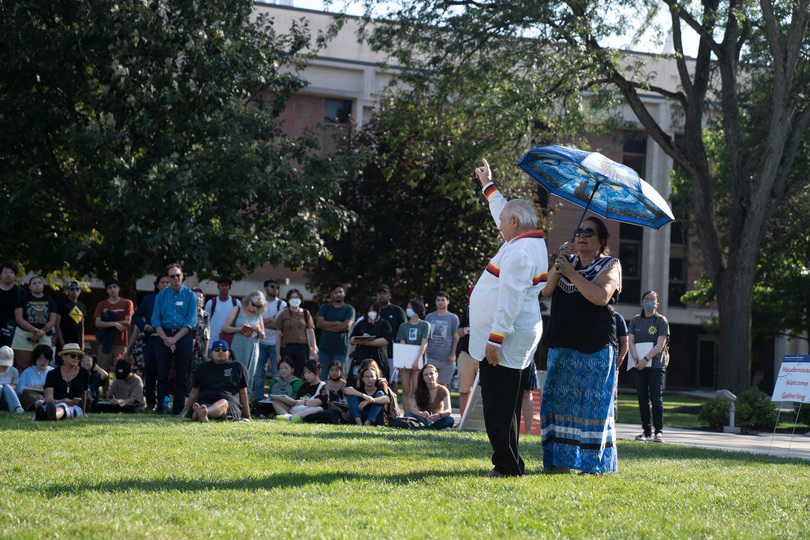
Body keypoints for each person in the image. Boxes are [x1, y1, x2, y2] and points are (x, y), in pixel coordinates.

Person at [469, 159, 548, 478]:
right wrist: (489, 186)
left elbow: (509, 298)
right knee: (508, 403)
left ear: (515, 222)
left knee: (499, 406)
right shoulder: (527, 242)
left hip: (507, 337)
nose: (499, 225)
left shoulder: (518, 252)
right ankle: (511, 462)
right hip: (519, 333)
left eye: (503, 222)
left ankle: (505, 466)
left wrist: (495, 338)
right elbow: (502, 211)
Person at [540, 215, 622, 476]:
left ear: (601, 241)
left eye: (589, 232)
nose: (582, 236)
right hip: (562, 344)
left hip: (596, 347)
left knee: (593, 407)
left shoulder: (611, 265)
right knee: (558, 404)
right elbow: (547, 291)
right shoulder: (566, 262)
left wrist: (572, 273)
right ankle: (560, 463)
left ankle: (593, 467)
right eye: (579, 231)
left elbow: (600, 296)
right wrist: (559, 265)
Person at [151, 263, 197, 415]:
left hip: (183, 336)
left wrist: (174, 339)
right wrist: (166, 339)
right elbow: (156, 321)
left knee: (182, 374)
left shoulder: (191, 296)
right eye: (172, 276)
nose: (176, 278)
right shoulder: (161, 296)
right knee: (162, 374)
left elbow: (190, 322)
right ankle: (161, 408)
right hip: (164, 335)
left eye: (178, 275)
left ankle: (178, 408)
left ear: (182, 276)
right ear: (168, 278)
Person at [629, 291, 670, 443]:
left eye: (652, 299)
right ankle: (646, 431)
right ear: (641, 302)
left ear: (657, 304)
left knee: (656, 398)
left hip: (656, 365)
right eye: (646, 299)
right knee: (642, 398)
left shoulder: (661, 321)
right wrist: (636, 359)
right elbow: (630, 342)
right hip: (638, 365)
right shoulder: (635, 321)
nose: (649, 302)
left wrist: (645, 359)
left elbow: (660, 345)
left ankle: (659, 432)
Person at [179, 340, 251, 422]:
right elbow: (194, 392)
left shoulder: (238, 367)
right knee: (201, 406)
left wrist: (247, 415)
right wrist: (183, 413)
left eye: (224, 350)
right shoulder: (202, 367)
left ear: (229, 353)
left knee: (223, 403)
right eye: (217, 350)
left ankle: (202, 413)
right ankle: (201, 413)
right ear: (212, 353)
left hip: (229, 403)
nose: (221, 352)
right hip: (206, 401)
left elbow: (243, 392)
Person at [132, 273, 170, 410]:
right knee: (150, 372)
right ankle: (150, 403)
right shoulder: (149, 299)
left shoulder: (174, 299)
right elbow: (136, 316)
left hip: (169, 340)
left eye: (168, 282)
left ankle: (163, 403)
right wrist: (144, 326)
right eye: (162, 282)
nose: (165, 285)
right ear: (157, 285)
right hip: (152, 340)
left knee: (164, 373)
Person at [221, 290, 266, 394]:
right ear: (249, 300)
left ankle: (246, 403)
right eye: (254, 305)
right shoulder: (237, 309)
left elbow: (263, 336)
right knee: (234, 373)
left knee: (249, 376)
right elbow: (224, 328)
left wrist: (259, 331)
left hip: (252, 349)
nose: (255, 308)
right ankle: (231, 399)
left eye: (259, 306)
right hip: (237, 347)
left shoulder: (258, 314)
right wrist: (240, 328)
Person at [12, 275, 57, 373]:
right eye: (34, 283)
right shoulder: (22, 299)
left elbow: (53, 320)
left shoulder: (50, 301)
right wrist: (35, 331)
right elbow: (19, 318)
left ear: (43, 285)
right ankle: (22, 387)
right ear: (30, 286)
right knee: (23, 365)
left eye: (39, 283)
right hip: (23, 334)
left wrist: (41, 332)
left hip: (44, 335)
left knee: (43, 364)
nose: (37, 285)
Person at [36, 343, 90, 421]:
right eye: (73, 355)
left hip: (75, 407)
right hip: (55, 403)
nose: (76, 358)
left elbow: (84, 393)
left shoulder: (84, 373)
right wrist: (62, 401)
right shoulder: (52, 374)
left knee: (64, 408)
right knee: (61, 405)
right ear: (64, 357)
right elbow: (48, 399)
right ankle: (48, 414)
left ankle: (49, 415)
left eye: (78, 356)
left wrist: (84, 412)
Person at [395, 298, 431, 413]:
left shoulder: (425, 325)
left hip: (418, 362)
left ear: (416, 309)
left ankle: (416, 413)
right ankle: (406, 414)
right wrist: (402, 362)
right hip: (405, 363)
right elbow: (402, 344)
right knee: (406, 390)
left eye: (410, 307)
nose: (408, 310)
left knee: (416, 390)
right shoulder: (403, 326)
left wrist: (417, 360)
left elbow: (424, 343)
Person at [347, 297, 393, 385]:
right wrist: (361, 338)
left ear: (379, 309)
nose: (372, 313)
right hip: (361, 357)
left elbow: (386, 340)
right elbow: (352, 340)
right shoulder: (361, 323)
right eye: (369, 310)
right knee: (357, 382)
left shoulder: (384, 323)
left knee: (378, 383)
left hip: (378, 358)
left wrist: (367, 342)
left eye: (374, 310)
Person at [254, 279, 286, 399]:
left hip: (275, 344)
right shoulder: (259, 303)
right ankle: (258, 400)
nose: (275, 289)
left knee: (277, 374)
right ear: (266, 288)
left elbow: (277, 324)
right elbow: (256, 323)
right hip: (260, 342)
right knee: (259, 375)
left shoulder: (281, 304)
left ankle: (275, 399)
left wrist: (263, 323)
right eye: (272, 287)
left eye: (277, 287)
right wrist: (269, 321)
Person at [273, 289, 317, 378]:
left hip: (302, 348)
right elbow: (278, 335)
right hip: (287, 348)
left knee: (300, 374)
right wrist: (277, 354)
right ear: (288, 300)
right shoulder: (283, 314)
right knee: (287, 373)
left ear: (301, 299)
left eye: (297, 297)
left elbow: (311, 332)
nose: (294, 299)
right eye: (292, 297)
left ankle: (298, 391)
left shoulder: (306, 313)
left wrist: (314, 350)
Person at [93, 278, 134, 371]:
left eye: (114, 287)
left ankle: (118, 386)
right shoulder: (102, 304)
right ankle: (104, 387)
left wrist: (107, 324)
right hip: (104, 342)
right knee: (103, 371)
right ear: (107, 291)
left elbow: (127, 322)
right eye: (110, 288)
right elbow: (98, 323)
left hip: (121, 342)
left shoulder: (127, 303)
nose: (113, 289)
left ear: (119, 288)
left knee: (120, 370)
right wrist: (115, 324)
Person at [316, 283, 355, 380]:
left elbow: (346, 326)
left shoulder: (349, 309)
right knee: (321, 378)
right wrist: (337, 323)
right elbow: (319, 324)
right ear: (331, 295)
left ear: (344, 293)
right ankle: (321, 395)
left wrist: (327, 326)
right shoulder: (325, 307)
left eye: (340, 292)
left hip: (340, 350)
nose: (338, 294)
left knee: (339, 379)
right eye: (335, 292)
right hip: (324, 350)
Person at [424, 291, 460, 387]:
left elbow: (456, 337)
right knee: (428, 386)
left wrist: (452, 355)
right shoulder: (429, 317)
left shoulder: (453, 318)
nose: (440, 302)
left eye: (443, 300)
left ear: (448, 301)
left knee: (443, 387)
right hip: (430, 357)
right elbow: (425, 338)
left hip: (446, 358)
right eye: (438, 300)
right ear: (435, 302)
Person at [376, 284, 407, 395]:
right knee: (377, 380)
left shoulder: (397, 310)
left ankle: (393, 407)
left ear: (390, 295)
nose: (382, 295)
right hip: (376, 351)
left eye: (385, 293)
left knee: (392, 381)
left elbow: (405, 330)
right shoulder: (374, 310)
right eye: (380, 293)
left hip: (393, 352)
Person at [405, 364, 454, 429]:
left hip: (437, 419)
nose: (429, 376)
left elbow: (448, 410)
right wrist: (421, 414)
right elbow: (411, 408)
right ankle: (431, 428)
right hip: (422, 419)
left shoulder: (443, 390)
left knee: (449, 420)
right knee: (407, 414)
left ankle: (425, 427)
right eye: (426, 375)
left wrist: (439, 415)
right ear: (423, 378)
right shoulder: (418, 389)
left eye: (431, 373)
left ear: (436, 374)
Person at [344, 360, 390, 426]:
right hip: (360, 418)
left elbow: (387, 399)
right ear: (362, 378)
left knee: (380, 395)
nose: (369, 379)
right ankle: (358, 422)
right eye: (367, 377)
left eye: (372, 376)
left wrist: (371, 400)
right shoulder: (359, 389)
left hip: (375, 420)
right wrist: (363, 395)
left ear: (376, 378)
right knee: (351, 395)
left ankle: (368, 422)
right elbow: (346, 390)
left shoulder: (379, 389)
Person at [203, 276, 240, 354]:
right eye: (222, 285)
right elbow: (205, 322)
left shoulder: (236, 303)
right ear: (218, 287)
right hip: (212, 342)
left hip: (230, 342)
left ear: (229, 287)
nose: (224, 287)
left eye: (226, 285)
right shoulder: (211, 302)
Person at [16, 344, 54, 411]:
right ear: (35, 359)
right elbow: (18, 389)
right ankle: (39, 404)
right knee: (27, 393)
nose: (43, 362)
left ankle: (42, 405)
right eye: (40, 359)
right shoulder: (28, 371)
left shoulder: (52, 371)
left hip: (47, 395)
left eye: (46, 359)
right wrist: (32, 387)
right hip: (30, 396)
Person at [456, 302, 476, 416]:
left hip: (484, 354)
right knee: (464, 389)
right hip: (466, 353)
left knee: (484, 391)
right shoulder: (469, 309)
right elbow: (459, 331)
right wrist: (465, 330)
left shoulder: (492, 307)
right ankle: (463, 421)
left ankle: (483, 423)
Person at [55, 280, 86, 353]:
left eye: (77, 288)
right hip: (64, 341)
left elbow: (82, 325)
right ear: (67, 290)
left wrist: (83, 343)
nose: (75, 291)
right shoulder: (61, 304)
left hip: (78, 343)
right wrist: (61, 341)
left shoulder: (82, 306)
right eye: (72, 289)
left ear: (80, 290)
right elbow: (57, 324)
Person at [189, 287, 211, 386]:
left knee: (197, 374)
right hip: (185, 346)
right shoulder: (185, 312)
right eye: (195, 296)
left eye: (200, 297)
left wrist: (205, 354)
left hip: (199, 349)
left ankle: (192, 397)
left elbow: (206, 335)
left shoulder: (205, 315)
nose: (198, 299)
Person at [0, 262, 22, 349]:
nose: (8, 275)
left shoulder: (20, 292)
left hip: (13, 331)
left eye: (11, 272)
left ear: (15, 275)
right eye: (5, 272)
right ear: (0, 275)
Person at [614, 312, 629, 420]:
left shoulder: (617, 317)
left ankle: (612, 423)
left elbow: (625, 341)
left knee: (612, 394)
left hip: (612, 364)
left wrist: (620, 358)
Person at [0, 345, 24, 414]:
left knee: (7, 387)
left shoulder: (14, 371)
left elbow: (14, 386)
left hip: (7, 400)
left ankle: (17, 407)